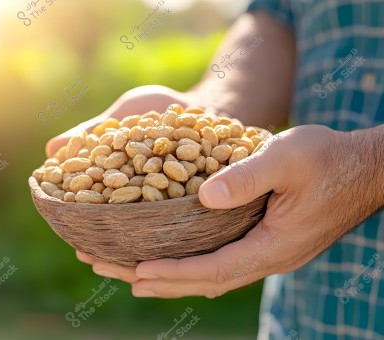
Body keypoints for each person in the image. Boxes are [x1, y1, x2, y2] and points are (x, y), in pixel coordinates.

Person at [46, 1, 384, 339]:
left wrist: (368, 166)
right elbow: (279, 18)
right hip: (305, 316)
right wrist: (216, 107)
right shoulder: (155, 158)